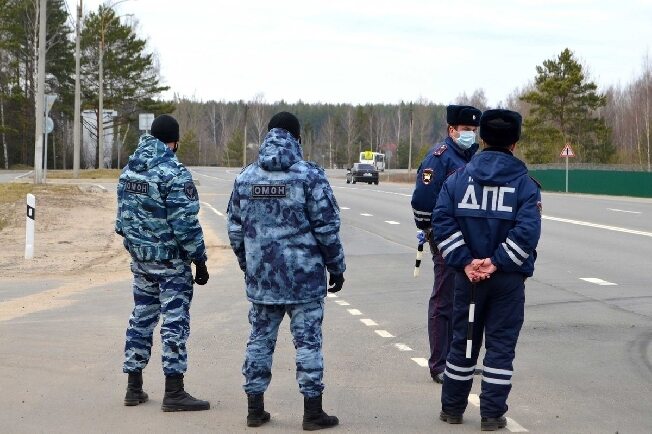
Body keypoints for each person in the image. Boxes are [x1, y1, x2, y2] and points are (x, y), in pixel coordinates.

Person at [227, 111, 345, 430]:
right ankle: (312, 412)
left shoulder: (246, 177)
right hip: (304, 279)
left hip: (263, 278)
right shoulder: (310, 175)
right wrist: (336, 267)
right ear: (298, 139)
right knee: (307, 343)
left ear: (268, 136)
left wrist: (248, 264)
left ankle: (255, 409)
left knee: (260, 340)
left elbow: (235, 230)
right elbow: (327, 228)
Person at [432, 109, 542, 431]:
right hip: (506, 282)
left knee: (463, 344)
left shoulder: (457, 180)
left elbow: (442, 221)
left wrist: (466, 261)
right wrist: (496, 263)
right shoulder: (525, 186)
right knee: (500, 347)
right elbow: (527, 233)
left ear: (481, 139)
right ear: (515, 143)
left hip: (468, 281)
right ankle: (491, 415)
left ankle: (452, 409)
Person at [115, 114, 211, 412]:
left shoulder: (129, 170)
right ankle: (174, 391)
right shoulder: (173, 172)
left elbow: (121, 221)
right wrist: (199, 259)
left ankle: (134, 387)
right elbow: (185, 225)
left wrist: (138, 244)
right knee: (174, 322)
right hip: (170, 263)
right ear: (174, 141)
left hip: (141, 260)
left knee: (141, 318)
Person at [410, 104, 482, 384]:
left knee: (465, 303)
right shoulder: (439, 158)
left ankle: (459, 360)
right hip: (447, 241)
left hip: (471, 242)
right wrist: (434, 235)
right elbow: (423, 201)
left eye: (474, 131)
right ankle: (439, 363)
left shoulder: (475, 157)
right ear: (452, 130)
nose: (471, 135)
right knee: (444, 302)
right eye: (466, 130)